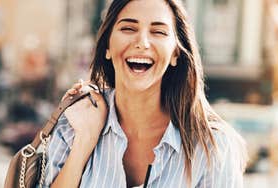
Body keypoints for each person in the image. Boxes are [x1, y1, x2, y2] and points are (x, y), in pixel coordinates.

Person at [43, 0, 247, 187]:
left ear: (176, 53)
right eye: (128, 28)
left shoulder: (213, 147)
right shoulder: (75, 122)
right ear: (107, 47)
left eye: (158, 32)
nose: (142, 42)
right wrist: (84, 140)